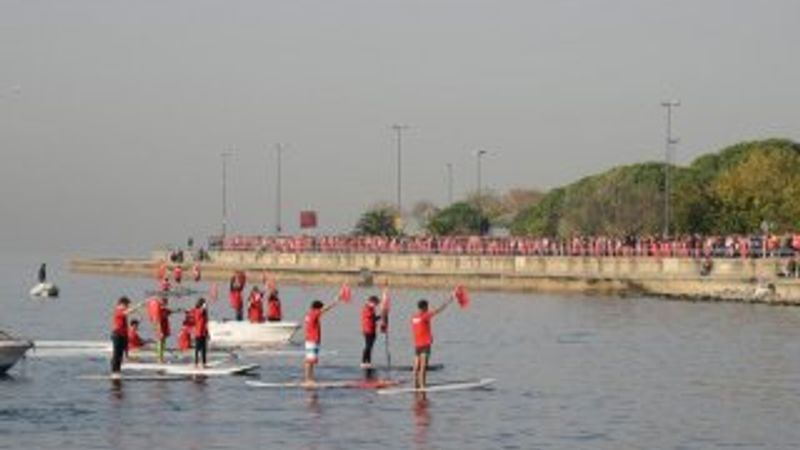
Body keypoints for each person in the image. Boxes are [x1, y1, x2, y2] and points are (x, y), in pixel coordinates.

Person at [411, 295, 455, 389]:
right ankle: (422, 386)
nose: (428, 308)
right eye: (427, 307)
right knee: (423, 367)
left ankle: (415, 384)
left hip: (417, 345)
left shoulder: (414, 317)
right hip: (425, 344)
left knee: (416, 367)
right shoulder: (425, 316)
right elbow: (439, 310)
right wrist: (449, 300)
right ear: (424, 307)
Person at [304, 297, 343, 384]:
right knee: (309, 361)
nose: (321, 310)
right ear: (317, 308)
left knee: (310, 361)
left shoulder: (308, 314)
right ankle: (308, 380)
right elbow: (326, 309)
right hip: (312, 340)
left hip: (309, 340)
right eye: (320, 308)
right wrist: (335, 301)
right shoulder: (314, 313)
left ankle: (309, 378)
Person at [110, 296, 140, 377]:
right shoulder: (118, 311)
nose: (127, 306)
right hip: (117, 335)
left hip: (123, 335)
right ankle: (114, 372)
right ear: (122, 304)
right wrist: (137, 306)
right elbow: (127, 312)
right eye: (127, 305)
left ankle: (118, 371)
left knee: (120, 355)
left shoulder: (123, 310)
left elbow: (128, 312)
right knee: (117, 354)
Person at [360, 295, 381, 368]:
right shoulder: (366, 308)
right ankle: (363, 362)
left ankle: (368, 362)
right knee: (368, 346)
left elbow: (374, 319)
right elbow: (372, 317)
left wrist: (381, 316)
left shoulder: (372, 309)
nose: (376, 305)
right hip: (367, 330)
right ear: (371, 302)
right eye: (375, 304)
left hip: (372, 330)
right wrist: (381, 315)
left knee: (370, 347)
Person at [154, 296, 174, 363]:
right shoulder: (158, 310)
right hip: (160, 328)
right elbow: (158, 321)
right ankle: (159, 359)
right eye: (165, 302)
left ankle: (161, 358)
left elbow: (170, 312)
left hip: (165, 328)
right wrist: (160, 331)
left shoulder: (165, 310)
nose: (166, 303)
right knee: (160, 343)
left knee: (163, 343)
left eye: (166, 302)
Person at [193, 298, 209, 368]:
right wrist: (202, 309)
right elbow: (197, 316)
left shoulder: (204, 312)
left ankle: (204, 363)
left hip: (203, 332)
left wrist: (207, 333)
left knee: (204, 349)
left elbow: (205, 323)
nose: (205, 305)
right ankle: (196, 363)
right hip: (198, 333)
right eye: (203, 303)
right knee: (197, 349)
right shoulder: (197, 310)